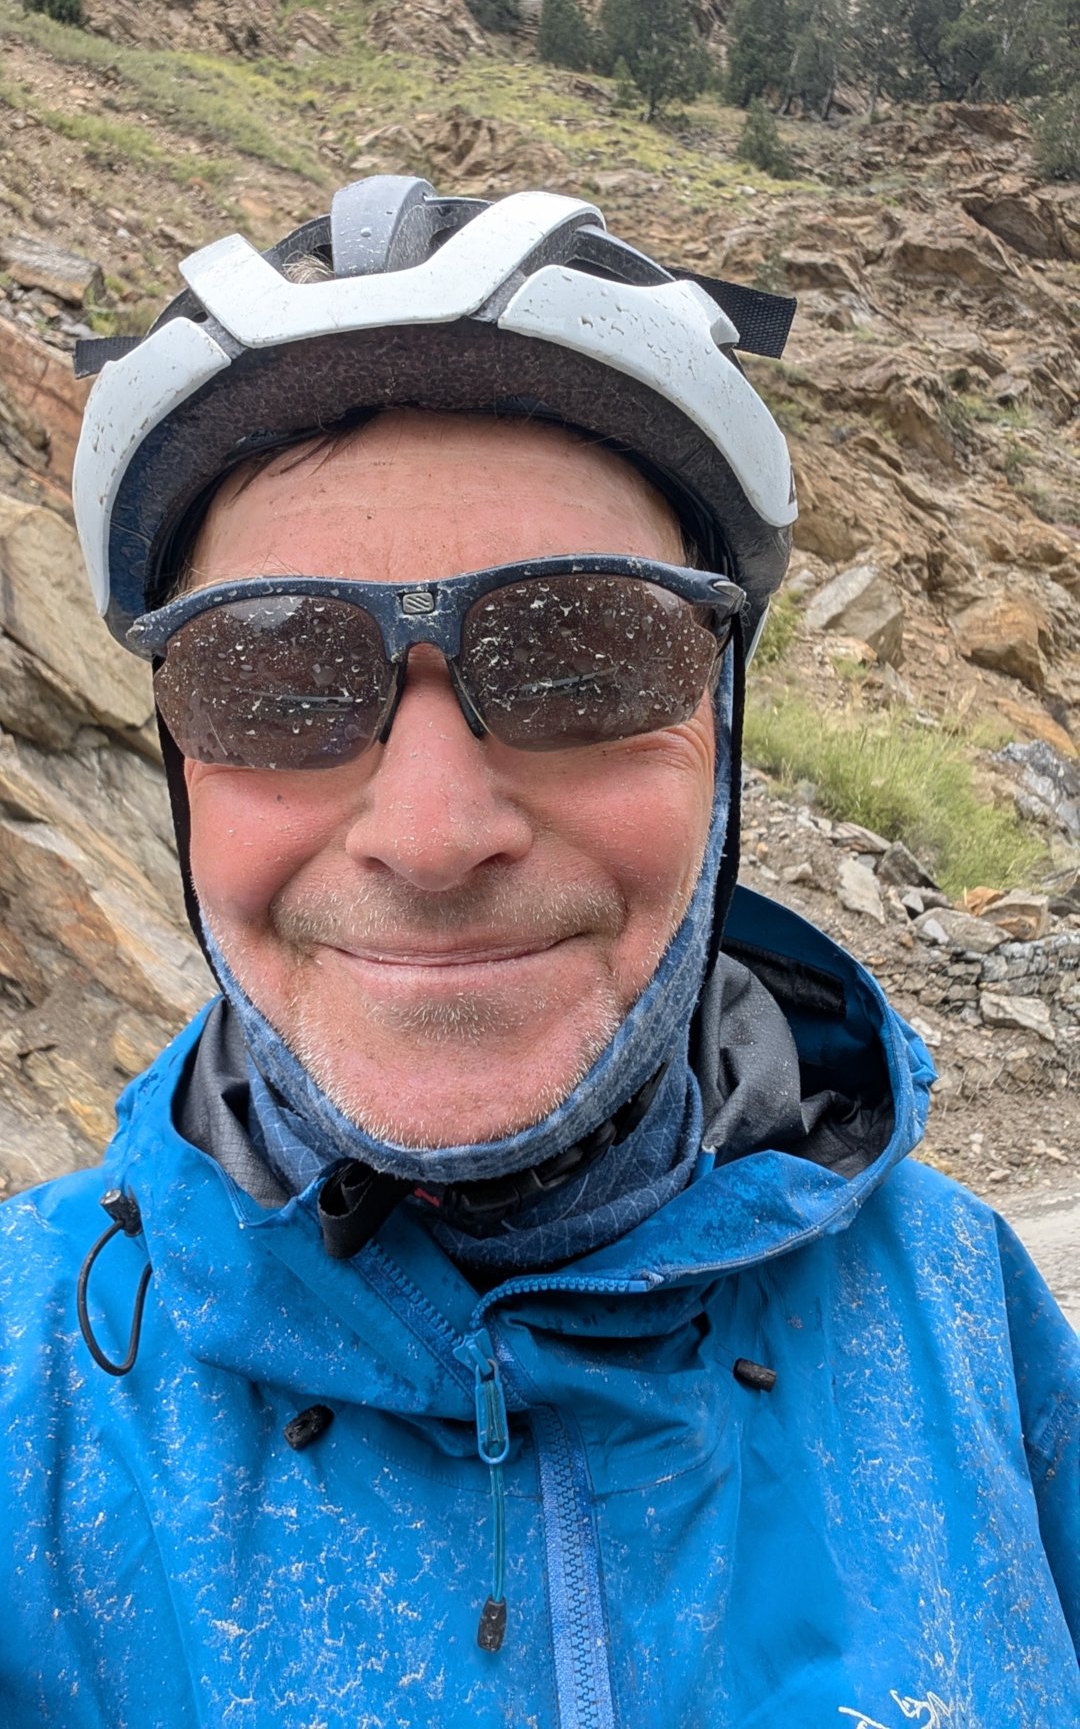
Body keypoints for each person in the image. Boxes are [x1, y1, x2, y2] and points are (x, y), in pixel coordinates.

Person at [0, 177, 1075, 1728]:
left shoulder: (968, 1315)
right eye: (275, 678)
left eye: (583, 657)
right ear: (179, 762)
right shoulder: (25, 1382)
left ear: (722, 733)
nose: (432, 836)